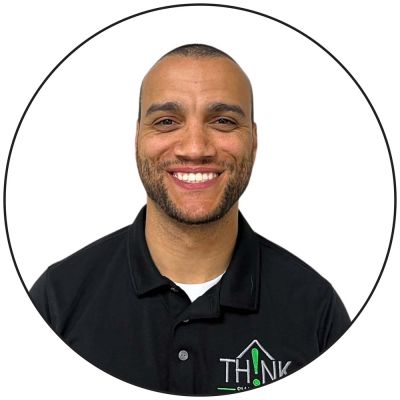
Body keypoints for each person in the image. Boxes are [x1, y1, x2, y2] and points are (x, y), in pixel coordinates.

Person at [30, 44, 351, 396]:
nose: (195, 148)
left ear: (254, 141)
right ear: (137, 139)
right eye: (167, 122)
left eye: (223, 121)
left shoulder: (316, 310)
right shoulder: (58, 301)